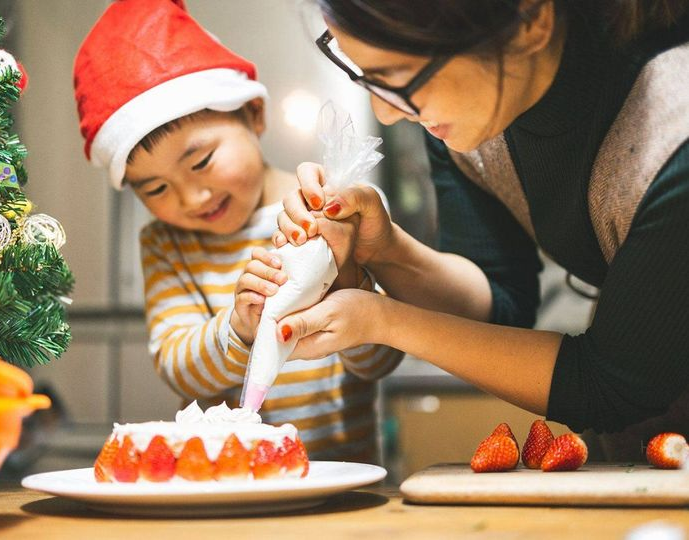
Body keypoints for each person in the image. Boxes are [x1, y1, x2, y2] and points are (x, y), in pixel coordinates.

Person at [274, 0, 689, 460]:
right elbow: (500, 307)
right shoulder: (470, 115)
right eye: (367, 75)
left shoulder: (674, 131)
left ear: (532, 21)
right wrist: (386, 248)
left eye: (400, 77)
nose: (387, 113)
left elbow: (610, 385)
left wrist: (382, 320)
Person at [72, 0, 403, 462]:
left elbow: (382, 360)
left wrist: (347, 279)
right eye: (156, 188)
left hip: (342, 477)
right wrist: (238, 328)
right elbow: (178, 367)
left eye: (201, 161)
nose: (191, 197)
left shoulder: (337, 210)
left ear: (253, 114)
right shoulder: (166, 244)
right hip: (227, 481)